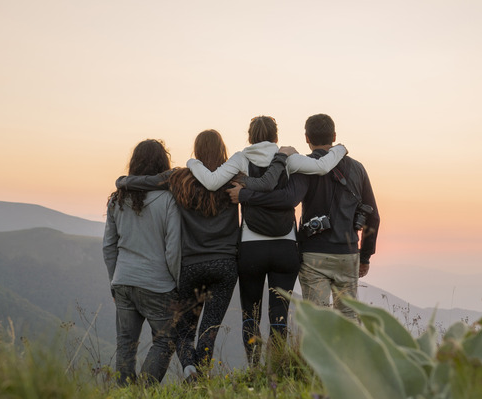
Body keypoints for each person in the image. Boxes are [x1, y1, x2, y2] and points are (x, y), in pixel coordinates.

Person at [115, 129, 288, 379]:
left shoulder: (179, 178)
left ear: (196, 151)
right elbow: (267, 188)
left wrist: (122, 181)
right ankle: (202, 376)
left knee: (185, 328)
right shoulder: (234, 178)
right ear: (223, 150)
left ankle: (189, 369)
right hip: (225, 265)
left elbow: (147, 182)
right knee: (210, 327)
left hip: (190, 266)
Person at [187, 116, 347, 365]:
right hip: (285, 247)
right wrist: (341, 148)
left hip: (251, 248)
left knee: (250, 312)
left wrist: (192, 162)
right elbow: (322, 167)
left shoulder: (241, 158)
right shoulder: (287, 157)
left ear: (250, 136)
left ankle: (254, 366)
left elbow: (211, 182)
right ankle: (278, 365)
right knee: (279, 313)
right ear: (275, 136)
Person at [227, 114, 380, 320]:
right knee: (349, 317)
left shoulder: (303, 166)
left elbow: (287, 198)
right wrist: (365, 257)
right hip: (348, 253)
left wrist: (245, 194)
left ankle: (315, 353)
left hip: (313, 253)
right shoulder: (357, 168)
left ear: (307, 138)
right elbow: (373, 216)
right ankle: (348, 354)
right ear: (334, 136)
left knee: (317, 321)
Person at [102, 139, 181, 386]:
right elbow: (173, 249)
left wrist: (114, 282)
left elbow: (108, 247)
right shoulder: (169, 200)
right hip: (157, 284)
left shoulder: (117, 199)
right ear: (163, 164)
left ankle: (125, 394)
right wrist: (177, 283)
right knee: (167, 340)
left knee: (125, 343)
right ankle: (144, 392)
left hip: (123, 281)